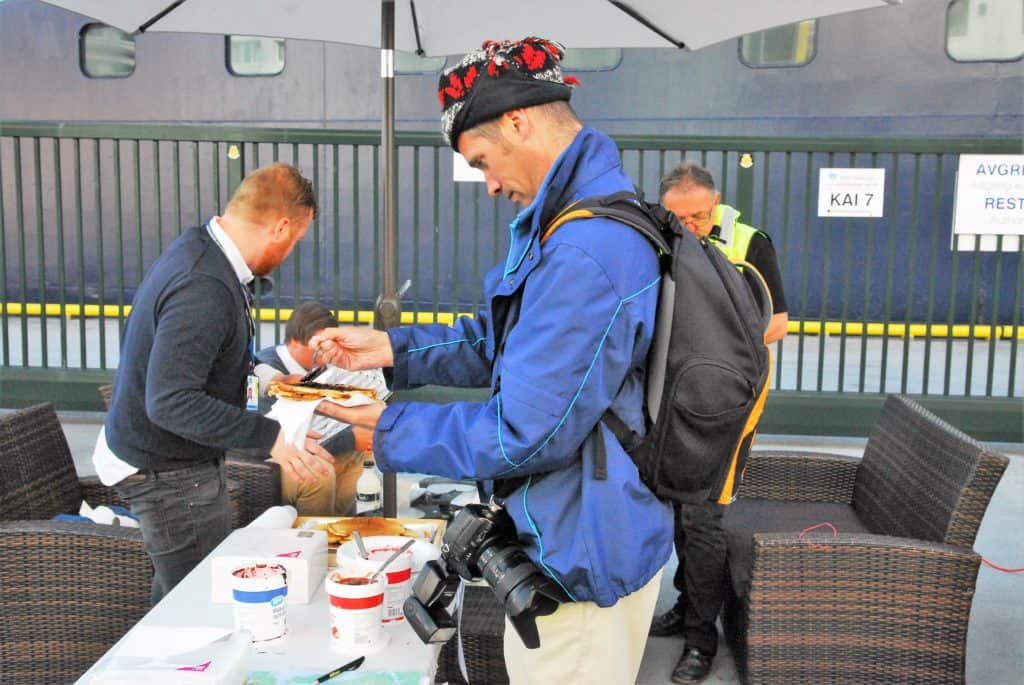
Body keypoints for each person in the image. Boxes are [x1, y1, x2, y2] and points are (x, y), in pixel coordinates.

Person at [312, 37, 673, 685]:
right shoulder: (576, 223)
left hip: (581, 553)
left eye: (482, 161)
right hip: (577, 525)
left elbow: (522, 431)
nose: (488, 185)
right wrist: (395, 348)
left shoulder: (585, 250)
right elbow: (507, 345)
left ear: (518, 120)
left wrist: (385, 431)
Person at [96, 162, 334, 605]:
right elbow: (170, 401)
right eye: (296, 241)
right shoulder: (203, 286)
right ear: (282, 227)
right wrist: (271, 437)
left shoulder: (204, 252)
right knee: (205, 606)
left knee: (174, 603)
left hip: (173, 463)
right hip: (168, 472)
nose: (290, 252)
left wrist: (266, 378)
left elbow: (215, 359)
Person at [649, 161, 789, 683]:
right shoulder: (656, 238)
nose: (690, 227)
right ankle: (688, 607)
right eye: (679, 218)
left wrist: (715, 343)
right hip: (672, 400)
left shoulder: (750, 244)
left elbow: (777, 323)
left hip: (729, 406)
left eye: (700, 216)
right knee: (678, 509)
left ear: (718, 203)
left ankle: (700, 641)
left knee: (701, 518)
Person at [252, 301, 374, 515]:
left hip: (310, 447)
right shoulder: (269, 373)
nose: (326, 355)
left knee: (360, 456)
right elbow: (285, 440)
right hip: (267, 461)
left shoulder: (318, 367)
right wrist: (350, 437)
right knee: (319, 473)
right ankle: (312, 537)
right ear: (296, 341)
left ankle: (339, 529)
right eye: (319, 346)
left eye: (329, 345)